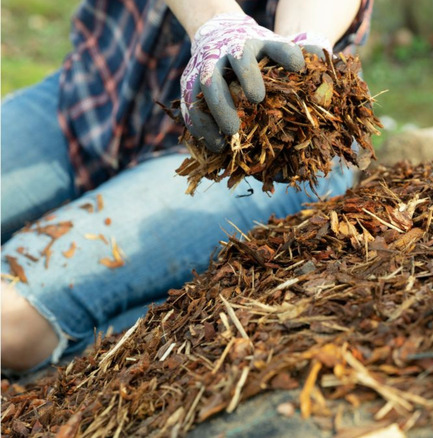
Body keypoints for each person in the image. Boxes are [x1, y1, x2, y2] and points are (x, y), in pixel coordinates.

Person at [1, 0, 373, 373]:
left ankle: (146, 329)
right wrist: (218, 24)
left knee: (9, 321)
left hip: (243, 151)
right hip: (97, 91)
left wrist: (303, 41)